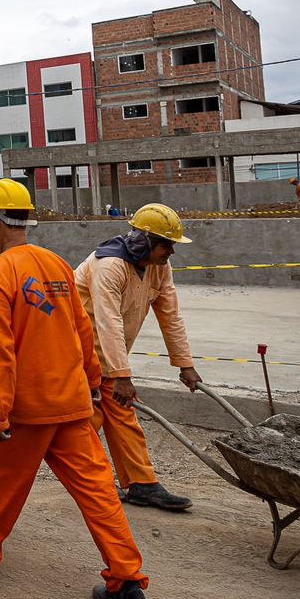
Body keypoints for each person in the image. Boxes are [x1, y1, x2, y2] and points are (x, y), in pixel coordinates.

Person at [0, 178, 152, 599]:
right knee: (99, 493)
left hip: (28, 411)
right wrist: (94, 383)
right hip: (72, 404)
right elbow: (82, 329)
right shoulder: (55, 264)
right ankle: (127, 580)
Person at [75, 203, 202, 511]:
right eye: (166, 245)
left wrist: (185, 363)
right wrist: (122, 376)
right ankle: (93, 485)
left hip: (108, 358)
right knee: (84, 423)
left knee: (123, 415)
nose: (172, 251)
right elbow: (108, 322)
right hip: (77, 357)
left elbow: (170, 315)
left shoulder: (159, 267)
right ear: (145, 241)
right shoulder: (109, 266)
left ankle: (141, 484)